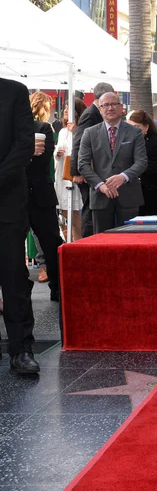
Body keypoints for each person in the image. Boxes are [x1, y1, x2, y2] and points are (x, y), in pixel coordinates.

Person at [0, 77, 39, 373]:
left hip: (7, 203)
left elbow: (24, 144)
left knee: (13, 277)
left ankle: (21, 349)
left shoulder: (13, 91)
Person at [77, 92, 148, 233]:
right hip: (100, 196)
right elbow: (83, 164)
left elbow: (142, 162)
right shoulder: (90, 133)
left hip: (128, 195)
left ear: (121, 107)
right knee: (102, 244)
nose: (110, 108)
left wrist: (123, 177)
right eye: (106, 105)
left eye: (114, 104)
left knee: (130, 243)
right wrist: (100, 185)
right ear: (100, 108)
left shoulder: (135, 133)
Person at [71, 83, 115, 238]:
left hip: (93, 169)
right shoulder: (91, 114)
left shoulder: (94, 113)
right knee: (90, 210)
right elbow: (78, 142)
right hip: (87, 171)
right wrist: (76, 171)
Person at [27, 113, 63, 303]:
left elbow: (42, 160)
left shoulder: (42, 128)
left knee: (51, 242)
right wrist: (28, 151)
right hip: (14, 197)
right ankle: (20, 291)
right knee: (12, 246)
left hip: (41, 196)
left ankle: (57, 288)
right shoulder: (7, 128)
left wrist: (18, 154)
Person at [54, 98, 86, 241]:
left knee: (76, 212)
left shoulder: (82, 130)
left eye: (69, 108)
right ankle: (71, 240)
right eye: (65, 107)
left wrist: (75, 133)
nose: (66, 110)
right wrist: (57, 153)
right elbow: (58, 151)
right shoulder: (62, 131)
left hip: (75, 174)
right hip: (62, 173)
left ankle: (78, 240)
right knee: (65, 211)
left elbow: (82, 149)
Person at [126, 109, 157, 215]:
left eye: (137, 127)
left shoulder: (154, 142)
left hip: (151, 192)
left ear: (146, 127)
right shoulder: (128, 142)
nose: (133, 131)